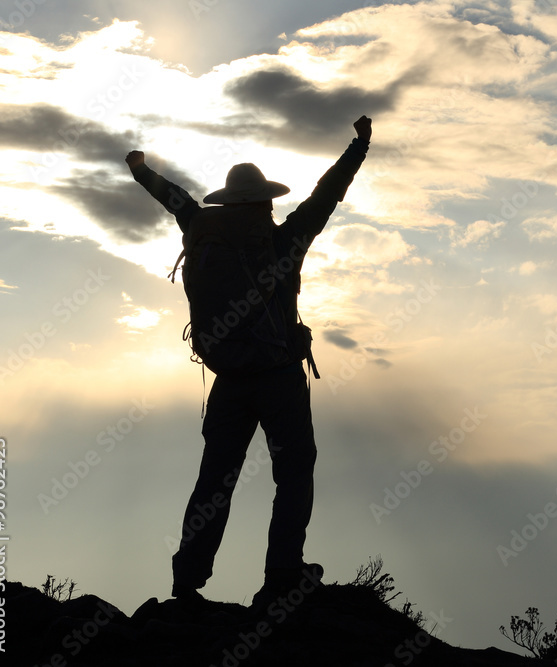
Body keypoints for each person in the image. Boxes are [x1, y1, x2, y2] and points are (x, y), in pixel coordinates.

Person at [125, 115, 372, 606]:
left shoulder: (198, 225)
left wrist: (139, 168)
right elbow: (328, 194)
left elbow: (170, 195)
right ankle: (282, 575)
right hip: (278, 376)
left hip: (228, 378)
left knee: (215, 480)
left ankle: (186, 582)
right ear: (265, 202)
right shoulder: (286, 240)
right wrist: (359, 146)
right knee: (295, 470)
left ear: (227, 202)